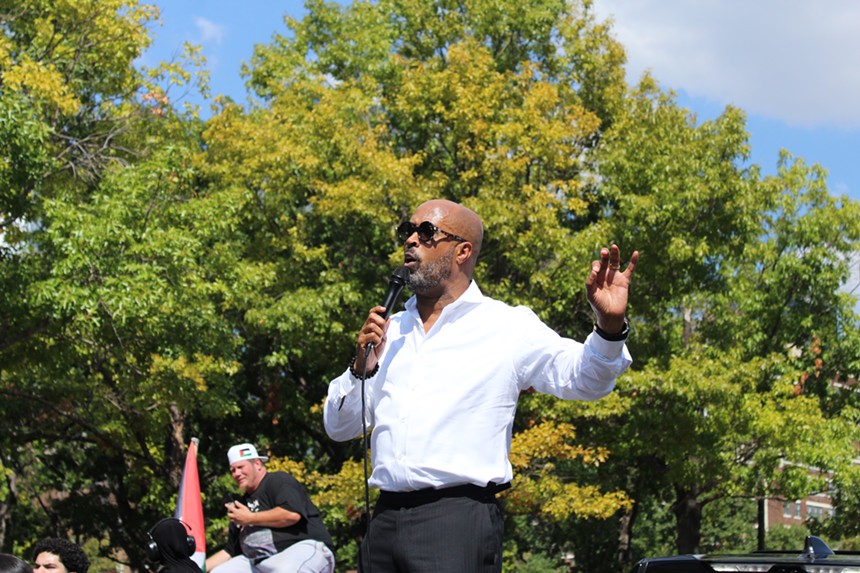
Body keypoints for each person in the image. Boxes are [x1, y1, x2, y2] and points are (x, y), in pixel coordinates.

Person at [323, 198, 639, 572]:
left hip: (456, 522)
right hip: (384, 519)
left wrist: (610, 326)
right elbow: (339, 427)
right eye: (407, 231)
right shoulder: (390, 329)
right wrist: (361, 367)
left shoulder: (506, 326)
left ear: (463, 251)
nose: (410, 240)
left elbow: (585, 379)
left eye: (426, 233)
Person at [205, 443, 335, 573]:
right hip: (258, 563)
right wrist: (195, 567)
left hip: (300, 549)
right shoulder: (240, 506)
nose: (237, 473)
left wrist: (250, 518)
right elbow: (229, 552)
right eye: (233, 470)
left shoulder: (277, 481)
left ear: (257, 464)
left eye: (240, 467)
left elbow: (291, 515)